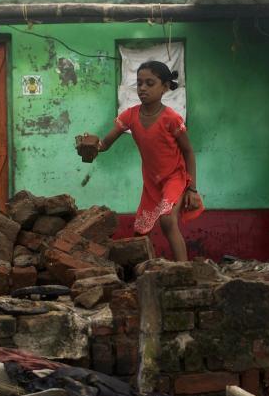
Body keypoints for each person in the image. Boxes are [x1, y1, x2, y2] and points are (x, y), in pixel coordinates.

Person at [81, 61, 203, 261]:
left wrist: (192, 188)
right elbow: (105, 144)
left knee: (167, 220)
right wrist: (92, 146)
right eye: (139, 84)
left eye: (150, 83)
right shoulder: (130, 116)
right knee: (140, 231)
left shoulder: (171, 119)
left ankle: (184, 270)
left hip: (175, 178)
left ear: (164, 87)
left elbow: (189, 152)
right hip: (151, 183)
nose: (143, 88)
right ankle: (142, 271)